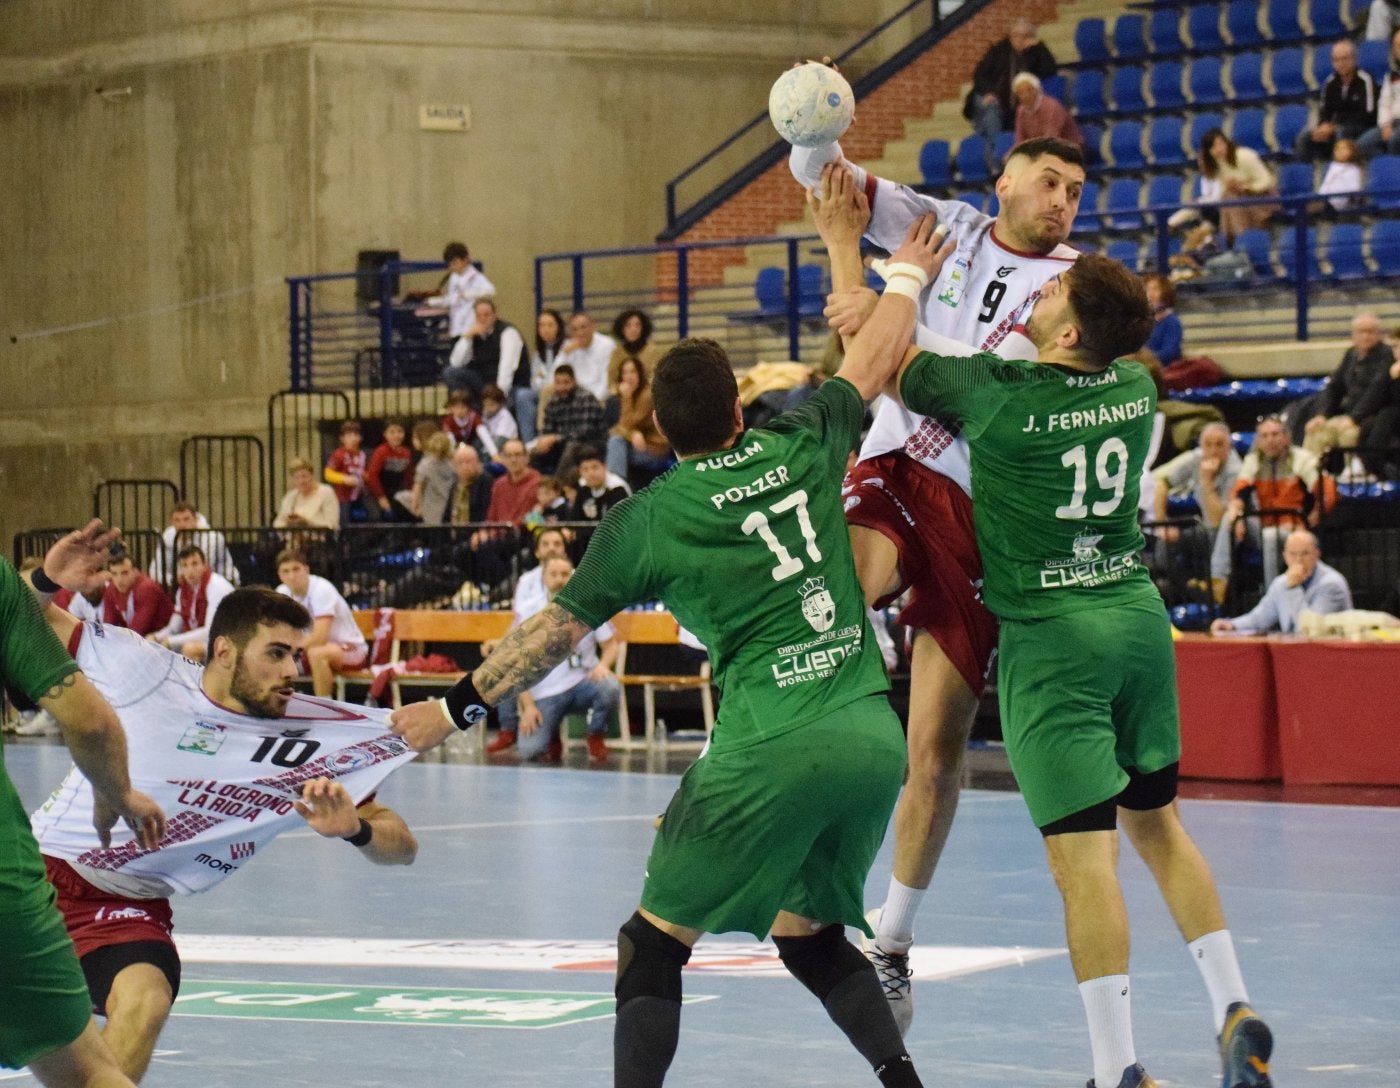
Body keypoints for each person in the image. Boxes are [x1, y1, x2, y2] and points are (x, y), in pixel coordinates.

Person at [389, 215, 956, 1088]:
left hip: (770, 744)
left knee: (648, 947)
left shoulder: (644, 522)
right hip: (870, 739)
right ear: (739, 408)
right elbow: (873, 361)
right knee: (808, 936)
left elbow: (552, 635)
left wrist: (455, 705)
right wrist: (909, 274)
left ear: (656, 427)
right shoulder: (799, 440)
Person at [881, 251, 1274, 1088]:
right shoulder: (1135, 391)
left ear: (1066, 328)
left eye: (1051, 289)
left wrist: (901, 279)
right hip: (1134, 622)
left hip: (1052, 642)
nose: (1039, 289)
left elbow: (892, 362)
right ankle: (1233, 1004)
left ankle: (1116, 1067)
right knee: (1160, 826)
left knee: (1084, 862)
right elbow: (1084, 350)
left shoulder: (999, 396)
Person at [790, 139, 1085, 1032]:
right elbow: (833, 192)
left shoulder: (1075, 290)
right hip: (895, 464)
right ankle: (759, 795)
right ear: (1003, 178)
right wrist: (814, 135)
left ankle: (892, 945)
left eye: (1076, 190)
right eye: (1048, 181)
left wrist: (886, 312)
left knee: (935, 755)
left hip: (983, 509)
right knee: (829, 604)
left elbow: (988, 382)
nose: (1062, 199)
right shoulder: (948, 225)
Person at [27, 561, 416, 1084]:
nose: (289, 672)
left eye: (295, 656)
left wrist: (357, 829)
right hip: (34, 875)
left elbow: (404, 845)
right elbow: (22, 615)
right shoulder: (142, 668)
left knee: (146, 1000)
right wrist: (50, 576)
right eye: (275, 654)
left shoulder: (308, 738)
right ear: (226, 650)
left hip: (130, 902)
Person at [2, 527, 165, 1088]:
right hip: (6, 884)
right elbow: (89, 721)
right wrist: (116, 791)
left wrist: (43, 585)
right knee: (89, 1074)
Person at [512, 555, 620, 765]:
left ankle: (595, 734)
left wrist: (604, 665)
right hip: (545, 691)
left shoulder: (590, 606)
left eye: (565, 574)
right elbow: (516, 665)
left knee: (610, 686)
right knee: (529, 751)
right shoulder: (528, 612)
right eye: (553, 574)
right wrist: (528, 706)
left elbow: (611, 645)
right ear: (543, 578)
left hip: (582, 683)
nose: (559, 579)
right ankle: (551, 735)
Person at [1212, 414, 1329, 603]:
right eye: (1264, 436)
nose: (1270, 440)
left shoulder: (1301, 459)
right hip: (1264, 525)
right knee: (1231, 518)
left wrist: (1316, 514)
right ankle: (1218, 581)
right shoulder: (1254, 461)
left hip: (1293, 530)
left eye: (1275, 434)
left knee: (1270, 535)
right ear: (1258, 440)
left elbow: (1327, 492)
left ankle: (1272, 598)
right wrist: (1235, 511)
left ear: (1286, 437)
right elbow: (1239, 492)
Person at [483, 526, 571, 755]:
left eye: (557, 543)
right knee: (504, 658)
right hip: (531, 643)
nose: (552, 548)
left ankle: (550, 733)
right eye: (546, 544)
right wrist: (499, 643)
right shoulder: (526, 581)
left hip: (564, 650)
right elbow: (519, 623)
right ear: (537, 552)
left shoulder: (575, 577)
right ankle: (508, 728)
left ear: (564, 550)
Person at [1210, 529, 1352, 634]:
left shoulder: (1332, 584)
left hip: (1329, 656)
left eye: (1305, 553)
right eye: (1293, 554)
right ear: (1285, 556)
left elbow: (1309, 631)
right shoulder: (1281, 583)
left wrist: (1293, 588)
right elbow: (1260, 617)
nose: (1298, 560)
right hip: (1297, 656)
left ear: (1317, 554)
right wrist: (1232, 625)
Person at [275, 548, 368, 697]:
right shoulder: (281, 593)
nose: (292, 576)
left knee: (317, 654)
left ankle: (324, 707)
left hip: (352, 649)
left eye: (296, 569)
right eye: (285, 571)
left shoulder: (321, 589)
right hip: (307, 650)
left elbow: (319, 638)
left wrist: (288, 648)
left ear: (306, 569)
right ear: (279, 575)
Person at [964, 19, 1057, 165]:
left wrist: (1039, 47)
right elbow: (979, 75)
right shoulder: (998, 50)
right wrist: (988, 92)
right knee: (992, 109)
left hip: (1012, 105)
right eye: (1016, 35)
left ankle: (998, 158)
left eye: (1025, 36)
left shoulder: (1035, 53)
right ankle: (997, 156)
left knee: (996, 117)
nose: (1019, 40)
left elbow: (1050, 70)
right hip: (985, 96)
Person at [1303, 312, 1394, 459]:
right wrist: (1322, 414)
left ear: (1379, 334)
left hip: (1373, 418)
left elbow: (1377, 391)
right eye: (1361, 332)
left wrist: (1354, 418)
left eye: (1370, 332)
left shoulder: (1386, 355)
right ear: (1353, 334)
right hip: (1347, 414)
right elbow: (1334, 387)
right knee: (1316, 431)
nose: (1366, 336)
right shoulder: (1351, 354)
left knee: (1349, 435)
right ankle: (1312, 477)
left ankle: (1353, 477)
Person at [1152, 422, 1242, 538]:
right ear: (1201, 445)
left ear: (1229, 446)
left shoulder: (1235, 471)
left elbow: (1219, 522)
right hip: (1205, 527)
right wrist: (1162, 525)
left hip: (1228, 531)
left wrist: (1207, 481)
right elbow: (1162, 483)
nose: (1213, 450)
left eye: (1219, 444)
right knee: (1165, 539)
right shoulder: (1197, 458)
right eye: (1208, 445)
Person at [1295, 40, 1378, 163]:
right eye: (1336, 60)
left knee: (1341, 133)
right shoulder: (1330, 83)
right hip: (1336, 126)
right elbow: (1325, 111)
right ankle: (1307, 174)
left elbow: (1368, 113)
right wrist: (1323, 126)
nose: (1341, 64)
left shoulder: (1365, 79)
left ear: (1354, 59)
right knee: (1305, 136)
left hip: (1362, 126)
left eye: (1344, 59)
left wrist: (1334, 126)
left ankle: (1340, 172)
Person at [147, 546, 234, 663]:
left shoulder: (217, 586)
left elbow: (210, 631)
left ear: (205, 565)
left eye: (195, 564)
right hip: (212, 641)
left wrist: (170, 641)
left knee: (190, 649)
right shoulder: (182, 591)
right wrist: (156, 637)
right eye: (185, 565)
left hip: (231, 641)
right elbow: (174, 628)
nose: (190, 570)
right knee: (155, 647)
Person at [1196, 129, 1276, 244]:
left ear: (1227, 143)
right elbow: (1223, 190)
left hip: (1265, 197)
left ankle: (1235, 241)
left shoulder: (1245, 156)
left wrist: (1245, 187)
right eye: (1213, 147)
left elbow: (1266, 181)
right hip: (1240, 199)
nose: (1219, 149)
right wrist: (1230, 188)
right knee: (1229, 198)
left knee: (1231, 199)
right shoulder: (1218, 164)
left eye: (1221, 144)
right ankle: (1238, 240)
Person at [531, 363, 608, 479]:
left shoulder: (586, 398)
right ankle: (538, 489)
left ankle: (557, 487)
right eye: (558, 383)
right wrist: (544, 441)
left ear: (574, 381)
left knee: (571, 447)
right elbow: (548, 429)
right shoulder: (553, 400)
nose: (562, 387)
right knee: (535, 452)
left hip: (591, 444)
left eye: (566, 383)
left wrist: (556, 438)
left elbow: (584, 433)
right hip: (563, 444)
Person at [428, 241, 495, 372]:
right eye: (450, 263)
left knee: (467, 364)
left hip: (469, 327)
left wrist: (469, 294)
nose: (452, 266)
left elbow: (491, 291)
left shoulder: (475, 277)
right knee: (455, 362)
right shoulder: (454, 278)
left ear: (465, 260)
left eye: (455, 262)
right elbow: (453, 299)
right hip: (456, 328)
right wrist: (434, 302)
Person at [444, 297, 527, 399]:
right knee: (451, 372)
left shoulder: (507, 333)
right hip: (484, 382)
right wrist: (467, 337)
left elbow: (506, 369)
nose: (483, 319)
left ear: (494, 315)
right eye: (478, 316)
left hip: (511, 385)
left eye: (487, 315)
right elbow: (456, 363)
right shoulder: (473, 333)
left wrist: (498, 397)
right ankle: (464, 412)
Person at [606, 358, 671, 487]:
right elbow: (620, 428)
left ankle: (617, 489)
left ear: (640, 374)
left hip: (655, 448)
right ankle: (616, 487)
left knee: (616, 442)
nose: (628, 377)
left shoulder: (647, 395)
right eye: (624, 373)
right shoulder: (631, 394)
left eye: (632, 372)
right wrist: (633, 434)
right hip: (638, 446)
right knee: (615, 443)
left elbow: (627, 424)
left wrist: (626, 398)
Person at [148, 500, 238, 588]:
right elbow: (155, 570)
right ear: (171, 522)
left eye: (186, 519)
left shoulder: (212, 537)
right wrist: (172, 580)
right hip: (186, 585)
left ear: (195, 519)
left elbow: (202, 569)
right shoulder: (168, 535)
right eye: (177, 520)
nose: (181, 525)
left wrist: (184, 543)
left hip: (223, 583)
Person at [516, 308, 568, 444]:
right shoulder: (538, 354)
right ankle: (529, 443)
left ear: (559, 327)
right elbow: (535, 381)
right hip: (541, 392)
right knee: (522, 395)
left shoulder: (567, 348)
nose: (545, 329)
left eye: (550, 325)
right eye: (542, 325)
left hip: (561, 390)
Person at [101, 548, 173, 637]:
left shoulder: (147, 588)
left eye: (125, 573)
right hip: (141, 640)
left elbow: (137, 630)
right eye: (114, 574)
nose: (119, 580)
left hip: (163, 638)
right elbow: (108, 628)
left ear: (135, 572)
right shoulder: (111, 589)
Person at [324, 420, 378, 526]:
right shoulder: (338, 454)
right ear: (342, 438)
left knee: (375, 516)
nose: (353, 438)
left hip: (360, 495)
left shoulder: (363, 455)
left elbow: (367, 473)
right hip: (343, 497)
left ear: (360, 438)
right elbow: (328, 473)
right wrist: (344, 479)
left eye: (356, 435)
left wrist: (366, 477)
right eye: (349, 435)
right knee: (345, 522)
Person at [554, 311, 615, 401]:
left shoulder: (606, 345)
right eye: (575, 329)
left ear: (593, 327)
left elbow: (606, 381)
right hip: (571, 394)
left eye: (583, 327)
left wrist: (592, 399)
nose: (580, 333)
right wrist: (564, 355)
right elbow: (554, 376)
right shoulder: (568, 346)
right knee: (547, 391)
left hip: (597, 395)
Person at [1011, 72, 1081, 150]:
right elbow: (1020, 139)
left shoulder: (1052, 107)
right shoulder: (1021, 111)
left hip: (1068, 148)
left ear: (1037, 90)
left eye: (1029, 90)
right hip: (1041, 150)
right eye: (1020, 93)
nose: (1025, 95)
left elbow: (1051, 139)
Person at [1359, 29, 1400, 158]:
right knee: (1362, 145)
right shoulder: (1392, 76)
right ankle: (1384, 168)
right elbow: (1384, 103)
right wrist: (1385, 125)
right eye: (1397, 46)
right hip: (1392, 123)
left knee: (1395, 141)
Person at [364, 420, 415, 520]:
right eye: (392, 432)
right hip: (374, 493)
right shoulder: (381, 452)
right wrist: (381, 498)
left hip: (395, 492)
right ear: (385, 434)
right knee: (377, 517)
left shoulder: (406, 453)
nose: (396, 435)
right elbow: (372, 476)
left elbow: (408, 476)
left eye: (400, 431)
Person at [273, 457, 339, 529]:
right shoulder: (290, 496)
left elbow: (332, 524)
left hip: (319, 539)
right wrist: (287, 523)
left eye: (304, 476)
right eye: (296, 477)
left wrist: (307, 523)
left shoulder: (326, 492)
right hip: (293, 539)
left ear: (312, 475)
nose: (301, 481)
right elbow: (278, 523)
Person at [608, 308, 666, 390]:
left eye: (637, 325)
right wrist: (619, 389)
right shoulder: (617, 353)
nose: (633, 329)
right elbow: (611, 383)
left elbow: (659, 381)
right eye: (628, 325)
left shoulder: (654, 351)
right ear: (622, 329)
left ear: (643, 328)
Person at [571, 447, 631, 525]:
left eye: (595, 467)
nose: (590, 474)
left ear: (605, 467)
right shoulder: (583, 487)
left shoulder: (617, 488)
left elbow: (616, 526)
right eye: (585, 469)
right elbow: (574, 521)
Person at [409, 431, 456, 526]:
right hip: (449, 507)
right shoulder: (453, 464)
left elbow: (418, 484)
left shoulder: (425, 464)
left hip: (431, 507)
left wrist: (414, 504)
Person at [1142, 274, 1183, 367]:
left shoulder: (1172, 322)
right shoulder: (1140, 322)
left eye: (1155, 289)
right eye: (1147, 289)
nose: (1150, 294)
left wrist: (1143, 360)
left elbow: (1169, 353)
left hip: (1164, 371)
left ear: (1165, 293)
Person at [450, 442, 494, 525]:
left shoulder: (486, 482)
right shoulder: (455, 485)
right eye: (460, 463)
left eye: (468, 462)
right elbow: (447, 516)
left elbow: (486, 514)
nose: (464, 466)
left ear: (477, 462)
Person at [477, 383, 519, 462]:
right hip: (487, 450)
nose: (488, 408)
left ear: (500, 404)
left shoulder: (505, 416)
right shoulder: (484, 415)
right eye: (486, 405)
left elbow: (499, 443)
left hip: (501, 453)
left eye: (492, 405)